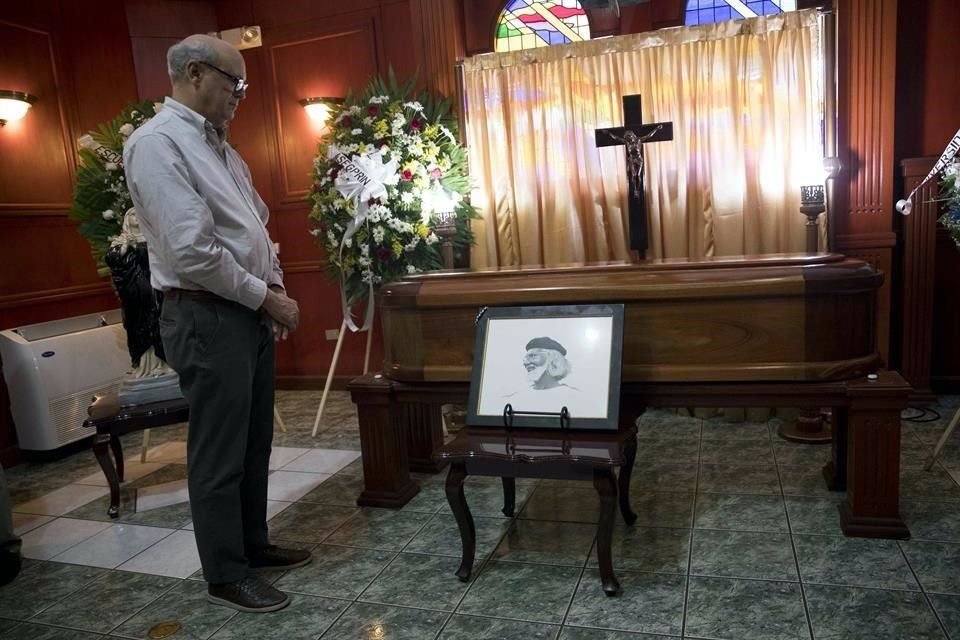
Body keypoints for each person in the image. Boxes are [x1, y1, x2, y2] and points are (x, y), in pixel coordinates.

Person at [124, 34, 308, 613]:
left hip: (241, 308)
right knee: (219, 450)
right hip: (205, 313)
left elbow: (255, 221)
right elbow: (192, 252)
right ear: (196, 73)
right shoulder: (157, 144)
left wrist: (272, 285)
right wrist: (265, 299)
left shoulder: (221, 146)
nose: (241, 96)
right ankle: (226, 571)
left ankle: (252, 544)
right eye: (235, 83)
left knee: (255, 440)